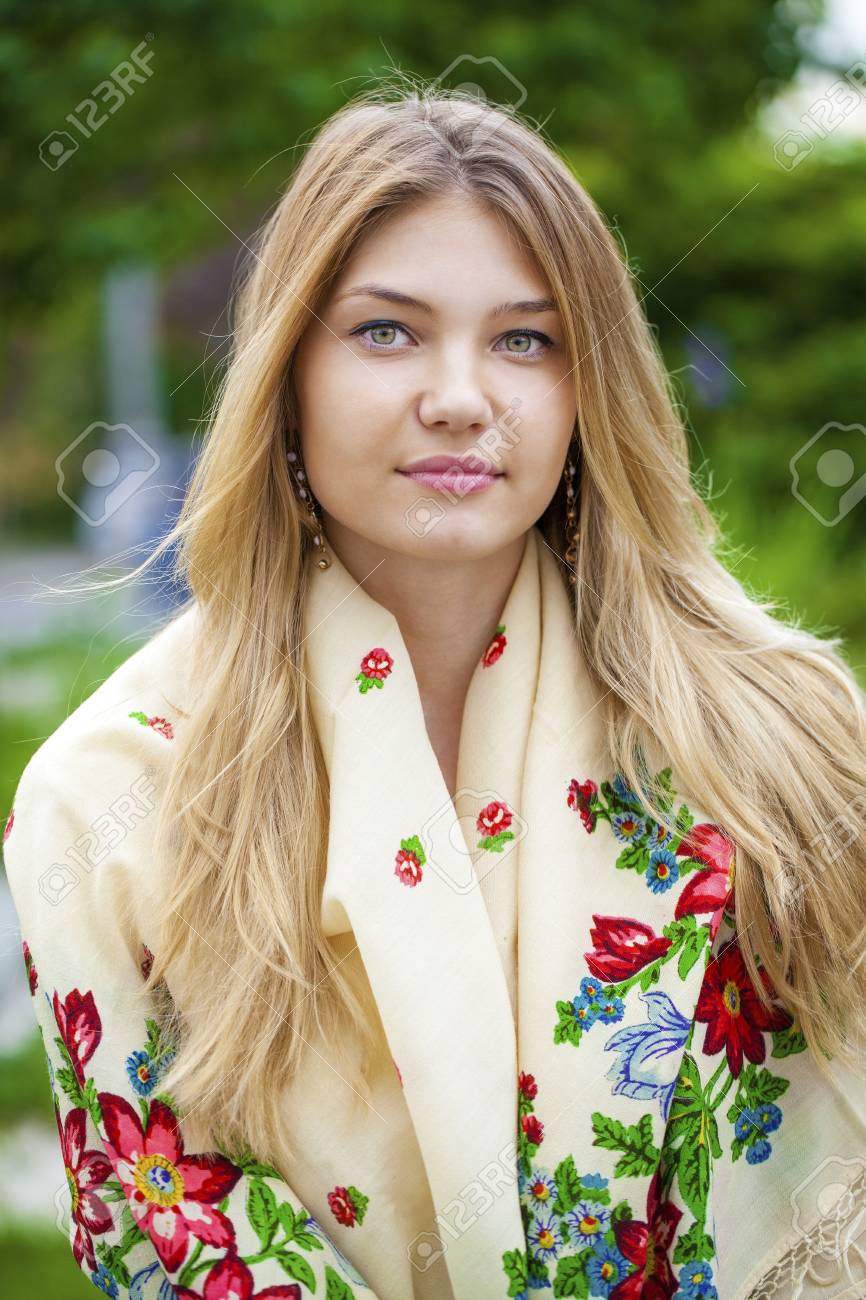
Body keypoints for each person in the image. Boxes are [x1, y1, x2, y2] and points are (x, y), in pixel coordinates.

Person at [5, 84, 866, 1300]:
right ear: (286, 375)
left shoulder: (779, 739)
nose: (460, 395)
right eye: (386, 331)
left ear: (585, 387)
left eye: (525, 339)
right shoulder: (111, 799)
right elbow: (169, 1236)